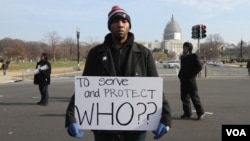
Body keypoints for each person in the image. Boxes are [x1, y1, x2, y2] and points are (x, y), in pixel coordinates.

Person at [65, 5, 172, 141]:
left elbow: (156, 90)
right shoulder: (95, 54)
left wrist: (166, 118)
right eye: (115, 21)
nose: (120, 24)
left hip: (136, 130)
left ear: (129, 25)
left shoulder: (144, 54)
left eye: (124, 21)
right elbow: (84, 88)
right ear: (110, 26)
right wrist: (70, 116)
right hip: (104, 129)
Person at [178, 42, 205, 120]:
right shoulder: (183, 57)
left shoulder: (193, 56)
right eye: (183, 48)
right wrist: (180, 75)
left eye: (185, 48)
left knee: (194, 97)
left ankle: (200, 113)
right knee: (184, 97)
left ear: (189, 49)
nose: (184, 49)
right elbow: (182, 68)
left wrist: (191, 75)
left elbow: (199, 67)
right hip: (183, 81)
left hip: (190, 81)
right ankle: (187, 113)